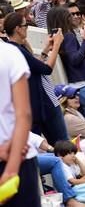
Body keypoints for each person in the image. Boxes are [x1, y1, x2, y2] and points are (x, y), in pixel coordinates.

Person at [5, 12, 68, 144]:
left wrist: (46, 49)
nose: (27, 27)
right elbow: (46, 69)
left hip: (38, 106)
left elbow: (36, 67)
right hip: (42, 106)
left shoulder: (16, 49)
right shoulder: (17, 50)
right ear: (17, 29)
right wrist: (56, 45)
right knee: (63, 145)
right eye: (25, 25)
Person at [47, 6, 85, 127]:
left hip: (73, 88)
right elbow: (75, 59)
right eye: (69, 16)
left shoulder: (54, 38)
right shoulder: (68, 35)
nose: (72, 18)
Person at [0, 40, 39, 207]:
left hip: (16, 158)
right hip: (17, 159)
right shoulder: (10, 53)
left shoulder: (9, 54)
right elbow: (23, 114)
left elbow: (24, 114)